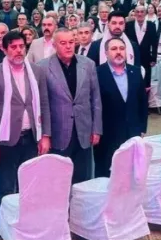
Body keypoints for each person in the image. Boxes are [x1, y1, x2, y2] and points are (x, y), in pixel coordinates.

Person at [0, 30, 51, 240]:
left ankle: (28, 232)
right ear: (4, 49)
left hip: (32, 137)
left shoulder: (37, 71)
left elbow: (44, 104)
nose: (18, 50)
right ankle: (5, 237)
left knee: (29, 188)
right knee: (6, 187)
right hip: (5, 140)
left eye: (21, 46)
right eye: (13, 47)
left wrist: (45, 135)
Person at [38, 28, 102, 183]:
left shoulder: (88, 64)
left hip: (83, 131)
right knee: (59, 180)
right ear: (54, 45)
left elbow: (95, 99)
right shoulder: (42, 67)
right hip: (58, 133)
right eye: (63, 43)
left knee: (83, 179)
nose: (68, 46)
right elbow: (42, 105)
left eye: (71, 42)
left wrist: (96, 129)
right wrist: (45, 135)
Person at [95, 37, 147, 178]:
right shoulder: (97, 73)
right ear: (106, 53)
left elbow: (142, 101)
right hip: (107, 135)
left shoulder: (135, 72)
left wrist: (142, 128)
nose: (118, 52)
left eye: (121, 48)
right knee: (107, 174)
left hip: (132, 132)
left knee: (131, 173)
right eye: (114, 49)